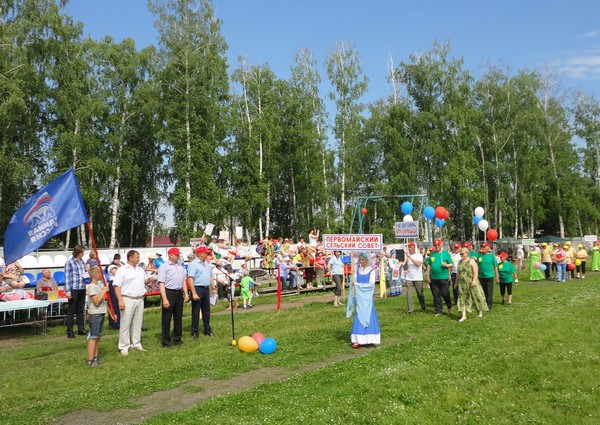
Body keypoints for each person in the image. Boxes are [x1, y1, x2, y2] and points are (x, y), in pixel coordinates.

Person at [113, 250, 152, 355]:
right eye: (137, 257)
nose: (139, 259)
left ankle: (136, 343)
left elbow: (145, 281)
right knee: (125, 323)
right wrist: (120, 300)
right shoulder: (122, 270)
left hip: (139, 298)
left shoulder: (140, 269)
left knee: (137, 322)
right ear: (130, 258)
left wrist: (151, 278)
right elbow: (117, 286)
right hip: (127, 298)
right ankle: (124, 346)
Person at [347, 252, 380, 348]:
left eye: (363, 260)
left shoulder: (371, 271)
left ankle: (370, 338)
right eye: (360, 260)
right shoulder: (357, 270)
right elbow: (355, 280)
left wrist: (358, 285)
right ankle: (357, 339)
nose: (361, 262)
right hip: (359, 297)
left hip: (367, 297)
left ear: (367, 260)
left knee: (368, 315)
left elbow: (371, 284)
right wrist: (353, 280)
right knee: (359, 315)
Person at [158, 248, 188, 348]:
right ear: (170, 255)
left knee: (178, 317)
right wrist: (165, 299)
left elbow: (183, 280)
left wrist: (186, 294)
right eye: (176, 255)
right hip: (169, 292)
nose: (178, 256)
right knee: (167, 318)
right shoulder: (164, 267)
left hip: (179, 292)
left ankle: (177, 338)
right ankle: (166, 340)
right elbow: (161, 283)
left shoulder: (180, 266)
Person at [187, 246, 217, 339]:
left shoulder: (207, 264)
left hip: (205, 288)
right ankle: (195, 331)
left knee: (206, 310)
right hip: (197, 288)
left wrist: (213, 287)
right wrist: (194, 292)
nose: (207, 254)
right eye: (206, 253)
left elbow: (210, 276)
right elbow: (190, 279)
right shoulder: (193, 264)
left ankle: (207, 329)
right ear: (200, 254)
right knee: (196, 311)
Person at [456, 247, 488, 321]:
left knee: (476, 297)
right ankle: (464, 316)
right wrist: (456, 282)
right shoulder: (459, 262)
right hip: (462, 284)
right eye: (460, 253)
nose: (461, 255)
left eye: (462, 253)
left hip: (471, 282)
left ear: (467, 254)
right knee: (462, 299)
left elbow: (476, 272)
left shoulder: (472, 261)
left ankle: (479, 312)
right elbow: (458, 273)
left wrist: (474, 281)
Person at [86, 266, 108, 366]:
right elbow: (96, 301)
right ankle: (90, 359)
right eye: (100, 273)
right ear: (95, 275)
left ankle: (95, 357)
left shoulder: (97, 286)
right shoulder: (91, 287)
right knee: (93, 337)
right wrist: (103, 292)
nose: (101, 275)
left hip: (100, 313)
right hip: (95, 314)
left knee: (98, 337)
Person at [425, 239, 453, 316]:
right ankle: (438, 311)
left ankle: (449, 306)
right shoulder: (432, 254)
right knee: (436, 295)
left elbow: (451, 264)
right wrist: (428, 276)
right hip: (434, 277)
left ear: (441, 245)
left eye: (438, 245)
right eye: (435, 245)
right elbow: (429, 265)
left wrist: (446, 265)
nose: (436, 246)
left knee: (445, 293)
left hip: (443, 277)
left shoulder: (446, 254)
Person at [65, 245, 87, 338]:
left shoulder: (83, 262)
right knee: (71, 310)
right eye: (82, 252)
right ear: (78, 252)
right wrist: (68, 290)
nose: (83, 253)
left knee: (80, 310)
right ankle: (70, 331)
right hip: (74, 288)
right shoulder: (69, 262)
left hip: (82, 287)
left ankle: (81, 329)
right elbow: (67, 277)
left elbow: (85, 274)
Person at [403, 242, 426, 313]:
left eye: (410, 247)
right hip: (409, 278)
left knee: (420, 294)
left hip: (418, 278)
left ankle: (423, 306)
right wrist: (406, 262)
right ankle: (410, 309)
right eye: (408, 247)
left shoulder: (419, 255)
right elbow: (405, 268)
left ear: (414, 248)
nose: (409, 249)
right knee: (408, 294)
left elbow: (418, 264)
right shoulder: (407, 257)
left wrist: (410, 258)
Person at [477, 242, 499, 310]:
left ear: (488, 248)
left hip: (489, 276)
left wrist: (497, 277)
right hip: (481, 276)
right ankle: (483, 304)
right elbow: (478, 266)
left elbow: (495, 266)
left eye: (484, 247)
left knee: (489, 291)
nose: (482, 248)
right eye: (482, 247)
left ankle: (489, 305)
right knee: (482, 291)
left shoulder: (491, 256)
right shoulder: (479, 256)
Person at [106, 253, 122, 330]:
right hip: (113, 285)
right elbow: (117, 273)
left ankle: (120, 321)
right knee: (114, 303)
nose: (118, 260)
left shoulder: (121, 265)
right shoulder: (111, 267)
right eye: (116, 258)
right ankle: (115, 322)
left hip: (119, 284)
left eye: (119, 258)